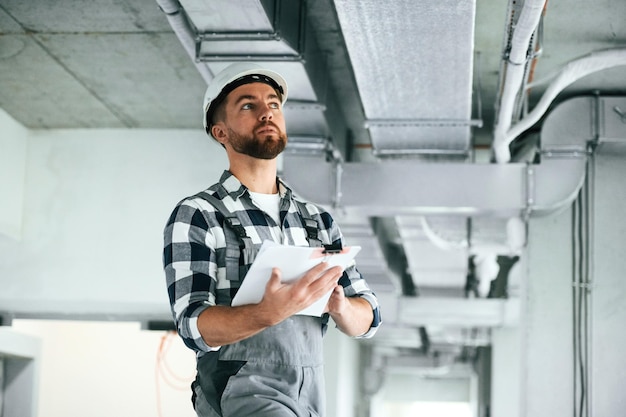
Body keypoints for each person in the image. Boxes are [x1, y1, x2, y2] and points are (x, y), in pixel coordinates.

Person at [163, 62, 381, 417]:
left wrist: (340, 306)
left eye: (273, 104)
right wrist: (265, 314)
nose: (266, 112)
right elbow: (192, 324)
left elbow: (369, 316)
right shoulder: (200, 213)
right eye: (248, 105)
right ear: (220, 132)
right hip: (240, 386)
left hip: (310, 391)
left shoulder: (316, 220)